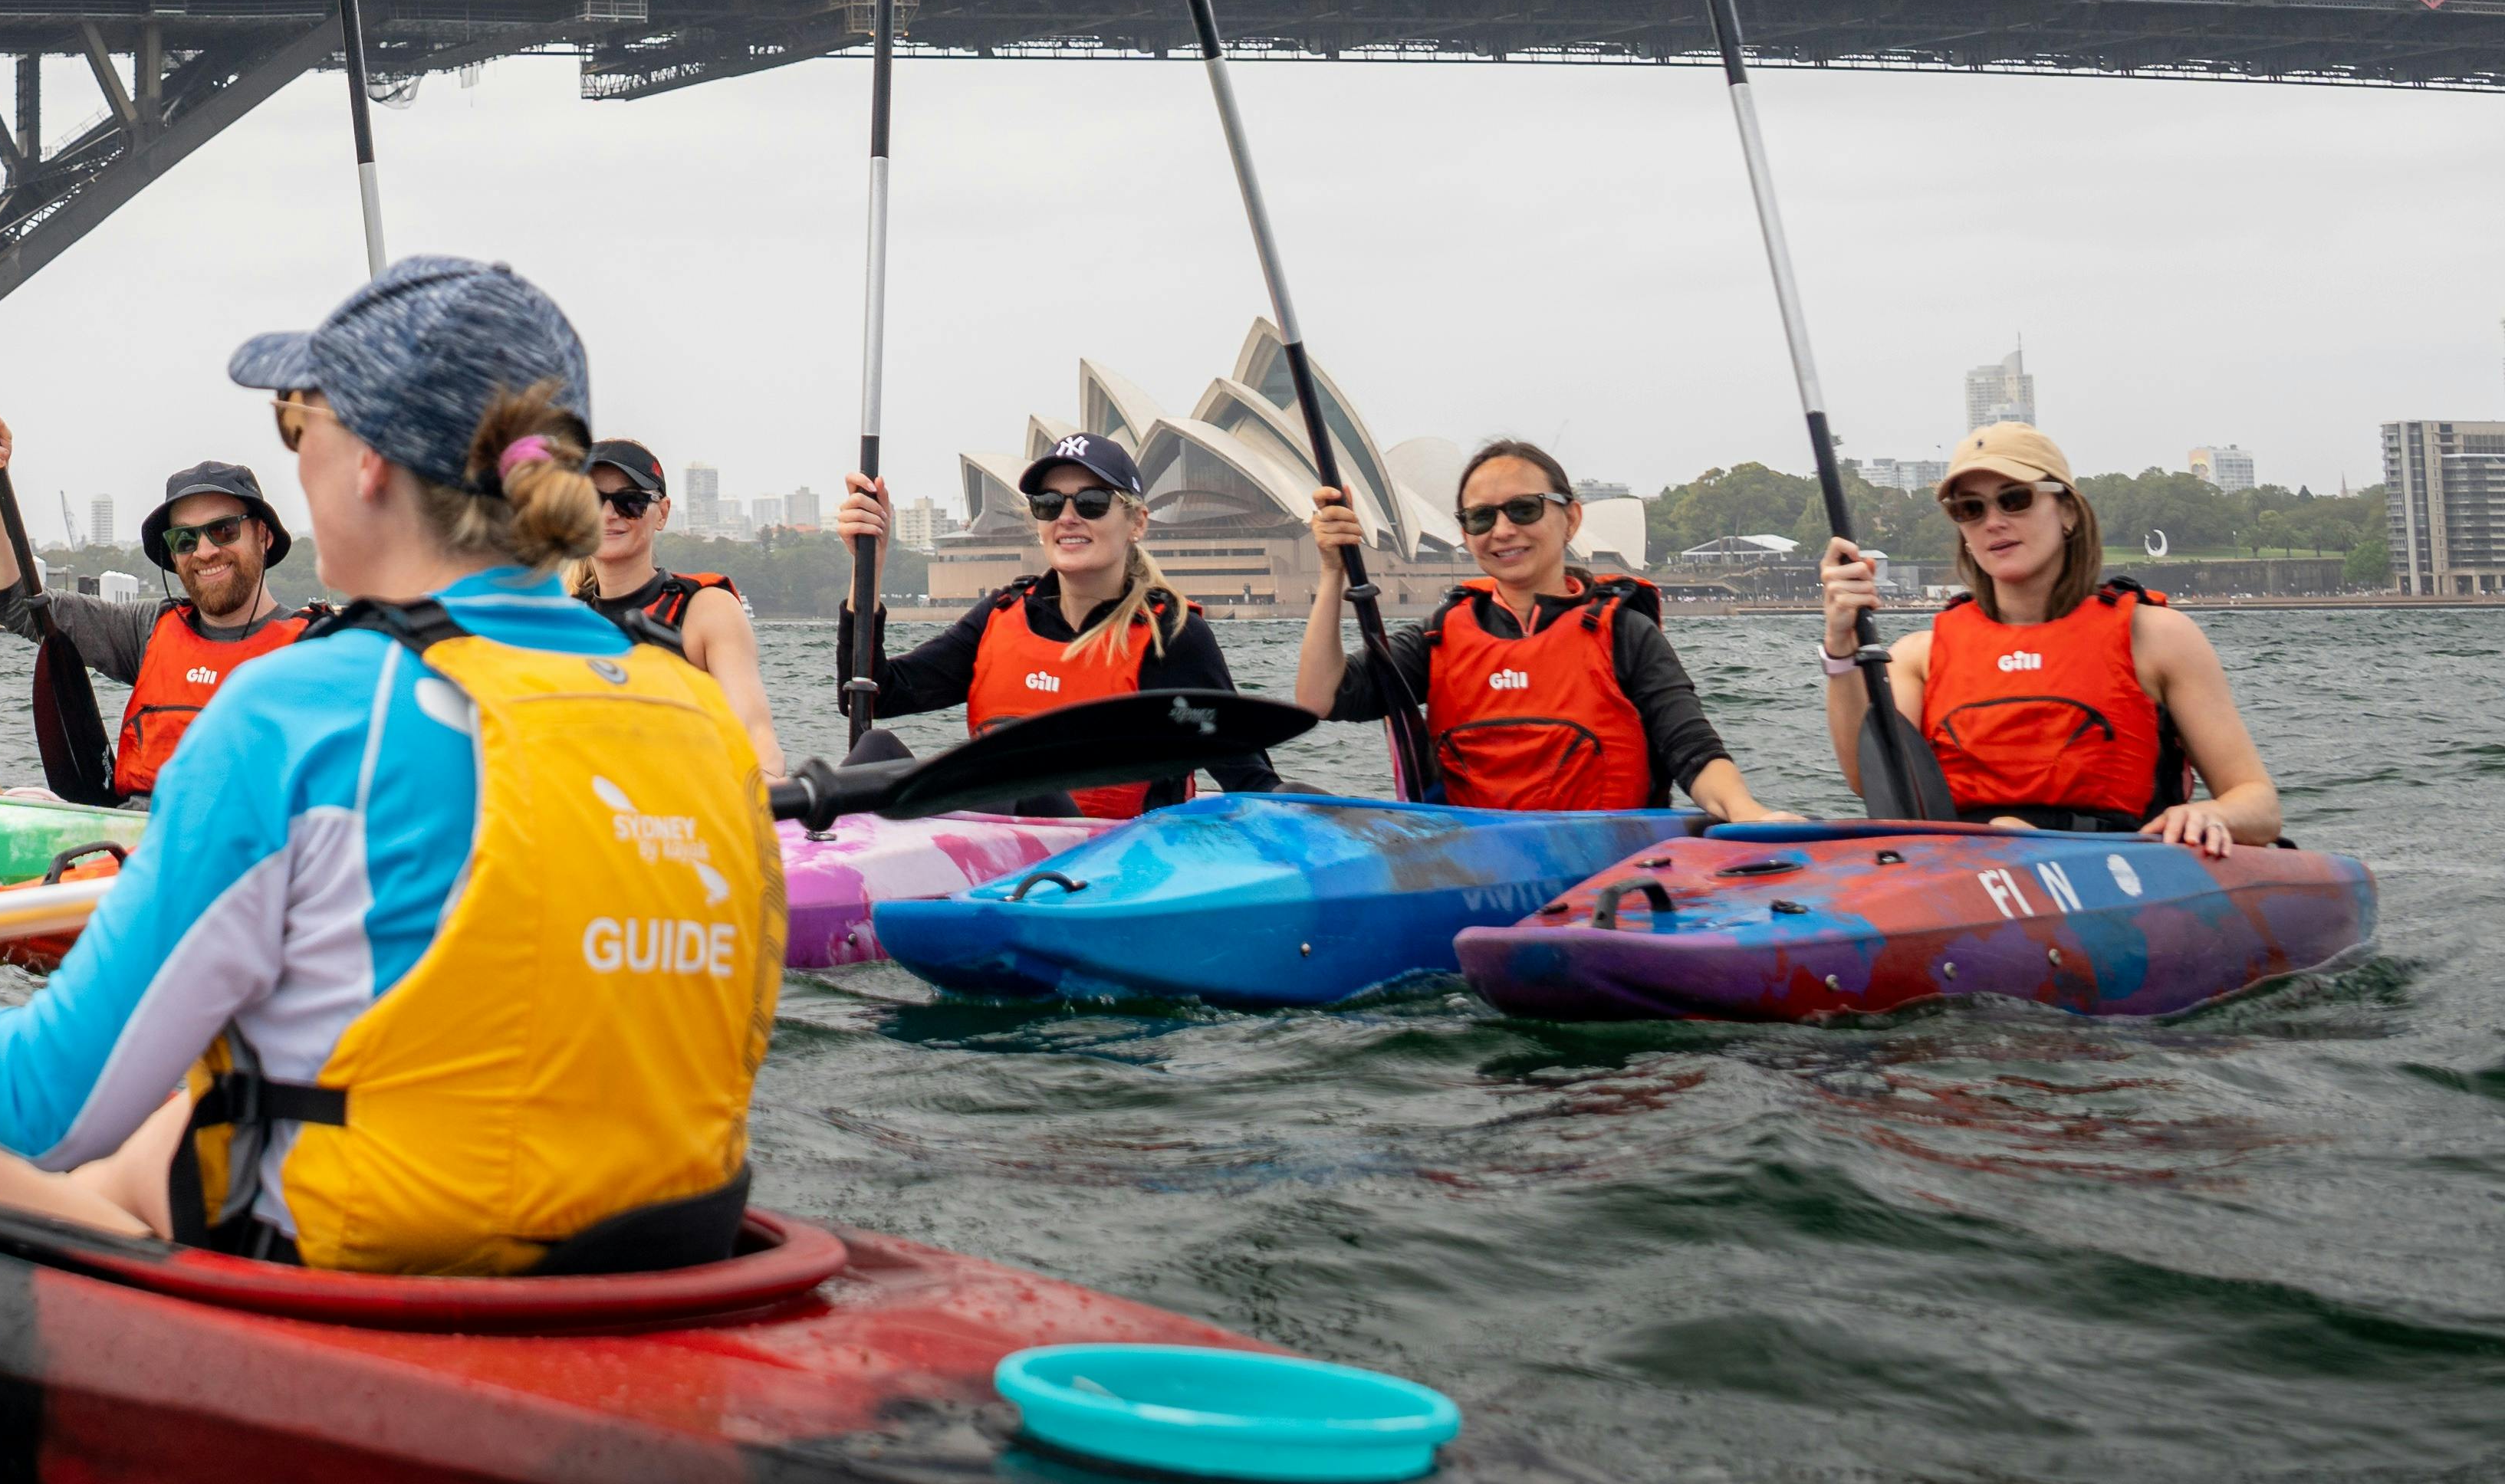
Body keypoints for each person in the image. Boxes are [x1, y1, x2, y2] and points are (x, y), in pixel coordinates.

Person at [0, 256, 777, 1276]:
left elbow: (37, 1101)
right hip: (659, 1259)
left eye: (295, 427)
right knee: (172, 1124)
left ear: (366, 462)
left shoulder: (301, 707)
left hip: (384, 1280)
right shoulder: (696, 712)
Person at [1818, 422, 2283, 850]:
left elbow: (2259, 806)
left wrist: (2211, 813)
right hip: (1970, 874)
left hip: (2119, 873)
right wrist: (1842, 648)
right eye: (1970, 509)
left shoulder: (2158, 638)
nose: (1993, 521)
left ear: (2068, 513)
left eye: (2014, 499)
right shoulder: (1919, 656)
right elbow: (1871, 782)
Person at [1294, 440, 1765, 819]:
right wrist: (1333, 572)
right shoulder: (1439, 635)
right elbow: (1320, 697)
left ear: (1571, 519)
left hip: (1604, 876)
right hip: (1474, 877)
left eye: (1524, 509)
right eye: (1481, 517)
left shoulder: (1625, 632)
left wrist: (1745, 811)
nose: (1502, 530)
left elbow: (1695, 754)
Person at [834, 440, 1283, 813]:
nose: (1068, 517)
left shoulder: (1172, 636)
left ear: (1137, 523)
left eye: (1091, 502)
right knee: (876, 751)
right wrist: (868, 567)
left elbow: (1248, 779)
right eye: (1049, 504)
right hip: (993, 855)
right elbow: (875, 692)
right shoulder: (1000, 615)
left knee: (1023, 766)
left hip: (1105, 874)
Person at [0, 417, 321, 799]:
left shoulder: (317, 650)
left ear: (264, 536)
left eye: (225, 530)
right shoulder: (147, 628)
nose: (205, 551)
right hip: (133, 847)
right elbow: (13, 601)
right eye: (185, 539)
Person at [567, 441, 781, 774]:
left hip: (684, 810)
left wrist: (761, 788)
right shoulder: (562, 619)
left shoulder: (706, 609)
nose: (608, 515)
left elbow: (756, 736)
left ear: (662, 513)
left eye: (630, 503)